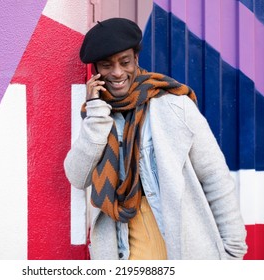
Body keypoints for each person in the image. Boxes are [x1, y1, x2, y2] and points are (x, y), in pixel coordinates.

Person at [64, 17, 247, 260]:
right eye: (107, 65)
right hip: (124, 254)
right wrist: (96, 113)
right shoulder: (97, 116)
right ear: (96, 71)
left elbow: (215, 178)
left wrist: (233, 252)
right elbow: (78, 177)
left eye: (124, 62)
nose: (117, 72)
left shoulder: (174, 106)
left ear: (136, 60)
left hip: (180, 252)